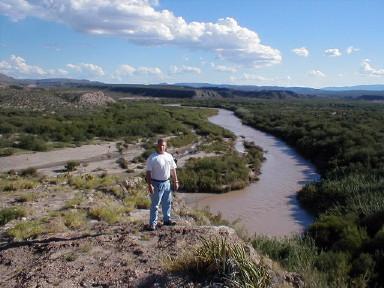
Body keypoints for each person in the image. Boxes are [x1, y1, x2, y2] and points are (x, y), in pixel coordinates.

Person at [146, 138, 179, 231]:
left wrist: (176, 181)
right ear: (157, 146)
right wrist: (149, 185)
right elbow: (148, 172)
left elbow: (173, 169)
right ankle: (152, 224)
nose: (161, 147)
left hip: (167, 183)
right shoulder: (152, 157)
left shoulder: (169, 156)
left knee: (167, 203)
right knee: (155, 205)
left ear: (166, 146)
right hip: (156, 183)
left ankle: (167, 220)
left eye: (163, 145)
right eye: (160, 145)